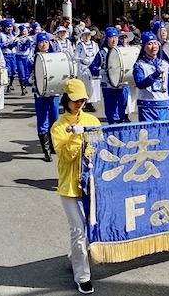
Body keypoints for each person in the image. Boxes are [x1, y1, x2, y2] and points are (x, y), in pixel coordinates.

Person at [50, 78, 100, 294]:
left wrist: (87, 134)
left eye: (82, 99)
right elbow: (67, 156)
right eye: (74, 100)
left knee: (91, 229)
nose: (78, 103)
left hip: (91, 184)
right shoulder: (58, 127)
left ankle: (75, 256)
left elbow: (102, 146)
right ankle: (82, 276)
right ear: (66, 100)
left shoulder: (92, 120)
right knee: (78, 230)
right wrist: (75, 136)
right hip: (69, 186)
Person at [133, 31, 169, 121]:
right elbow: (140, 84)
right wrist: (156, 74)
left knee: (164, 134)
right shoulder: (139, 65)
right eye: (149, 44)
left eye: (155, 43)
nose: (154, 47)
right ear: (144, 47)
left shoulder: (165, 64)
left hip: (164, 106)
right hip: (147, 108)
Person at [29, 32, 59, 162]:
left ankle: (53, 146)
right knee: (42, 120)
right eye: (41, 42)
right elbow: (27, 76)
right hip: (40, 93)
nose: (44, 44)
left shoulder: (55, 57)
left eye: (46, 42)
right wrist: (32, 78)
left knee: (55, 119)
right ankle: (46, 150)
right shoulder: (33, 58)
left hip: (53, 92)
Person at [89, 27, 128, 124]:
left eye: (116, 37)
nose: (114, 40)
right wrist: (101, 72)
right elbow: (92, 67)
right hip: (108, 84)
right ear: (107, 39)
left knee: (123, 105)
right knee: (110, 107)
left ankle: (122, 120)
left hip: (122, 84)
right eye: (111, 37)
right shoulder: (102, 52)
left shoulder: (123, 51)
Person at [74, 28, 101, 113]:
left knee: (93, 86)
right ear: (82, 36)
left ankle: (91, 102)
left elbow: (98, 55)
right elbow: (75, 57)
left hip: (92, 68)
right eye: (85, 35)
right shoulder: (80, 45)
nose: (87, 36)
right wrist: (82, 60)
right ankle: (84, 102)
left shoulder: (94, 44)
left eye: (88, 34)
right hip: (84, 68)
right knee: (85, 86)